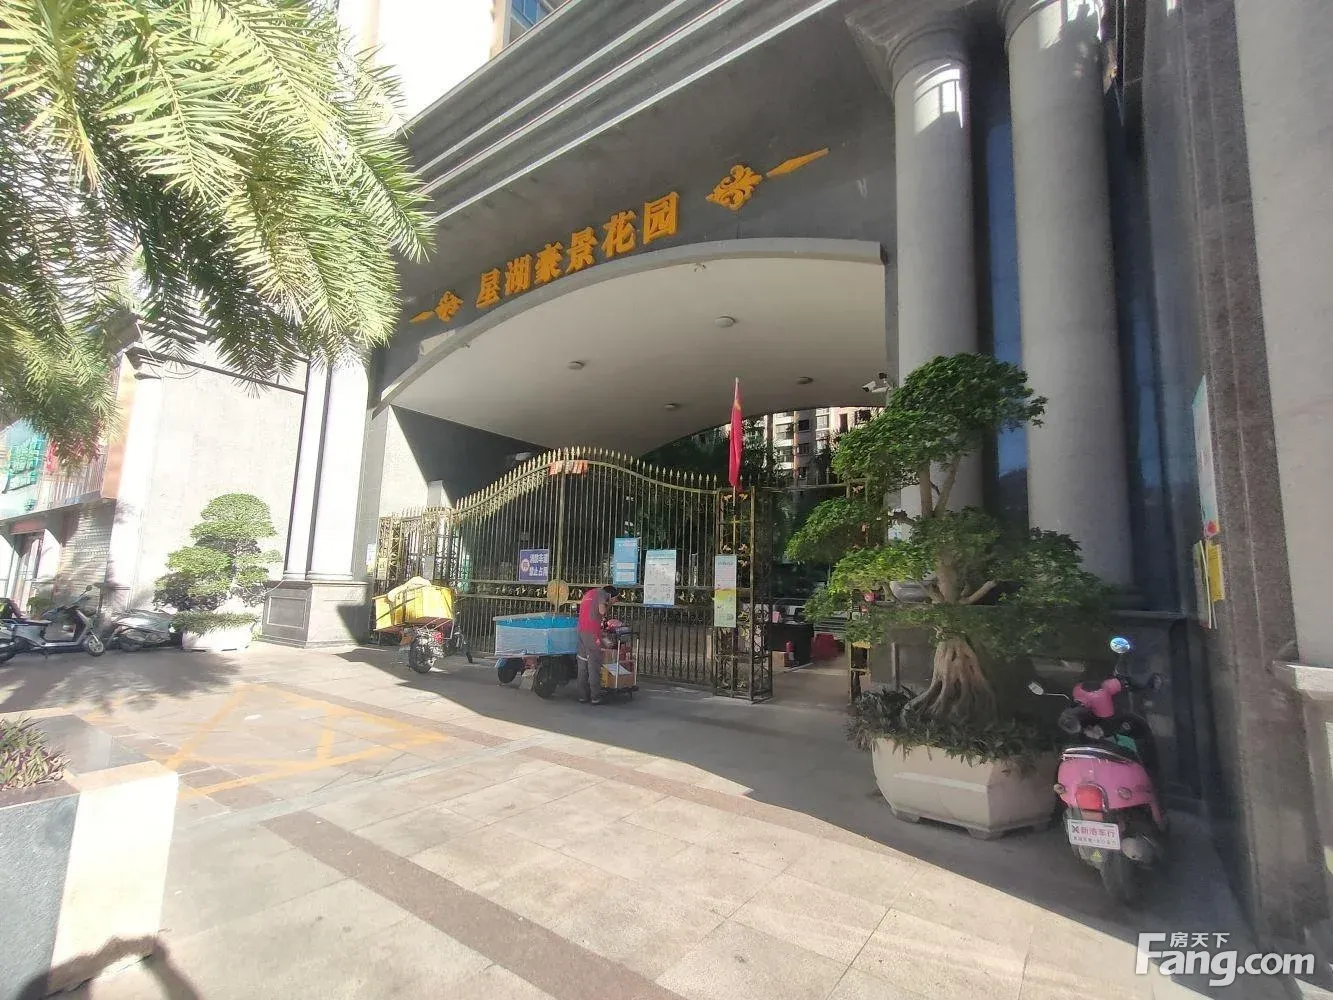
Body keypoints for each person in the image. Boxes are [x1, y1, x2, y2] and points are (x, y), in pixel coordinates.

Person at [576, 584, 618, 704]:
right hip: (591, 632)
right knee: (593, 664)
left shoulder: (589, 593)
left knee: (582, 664)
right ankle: (595, 696)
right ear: (610, 595)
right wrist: (610, 604)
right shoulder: (601, 594)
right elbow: (602, 611)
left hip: (581, 630)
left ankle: (582, 696)